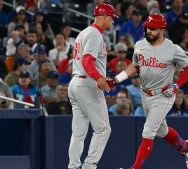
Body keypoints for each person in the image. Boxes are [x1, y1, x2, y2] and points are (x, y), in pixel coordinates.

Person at [107, 13, 188, 169]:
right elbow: (134, 66)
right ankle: (186, 148)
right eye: (148, 27)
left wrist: (176, 85)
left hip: (163, 95)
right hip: (145, 94)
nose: (149, 31)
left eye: (153, 28)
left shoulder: (172, 48)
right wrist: (116, 80)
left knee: (148, 131)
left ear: (162, 30)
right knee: (161, 131)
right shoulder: (140, 45)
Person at [67, 4, 118, 169]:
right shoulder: (95, 34)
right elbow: (87, 60)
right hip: (87, 84)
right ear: (103, 17)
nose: (112, 21)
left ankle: (74, 166)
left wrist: (103, 77)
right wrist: (98, 78)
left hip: (76, 82)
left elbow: (88, 62)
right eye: (111, 17)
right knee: (103, 129)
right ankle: (89, 166)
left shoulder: (84, 32)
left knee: (79, 132)